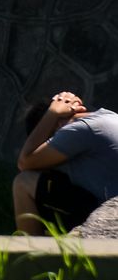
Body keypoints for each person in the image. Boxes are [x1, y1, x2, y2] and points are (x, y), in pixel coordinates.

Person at [14, 91, 118, 234]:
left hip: (112, 217)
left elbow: (25, 162)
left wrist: (52, 113)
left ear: (57, 124)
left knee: (23, 182)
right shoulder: (106, 117)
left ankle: (28, 254)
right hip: (109, 205)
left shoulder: (78, 129)